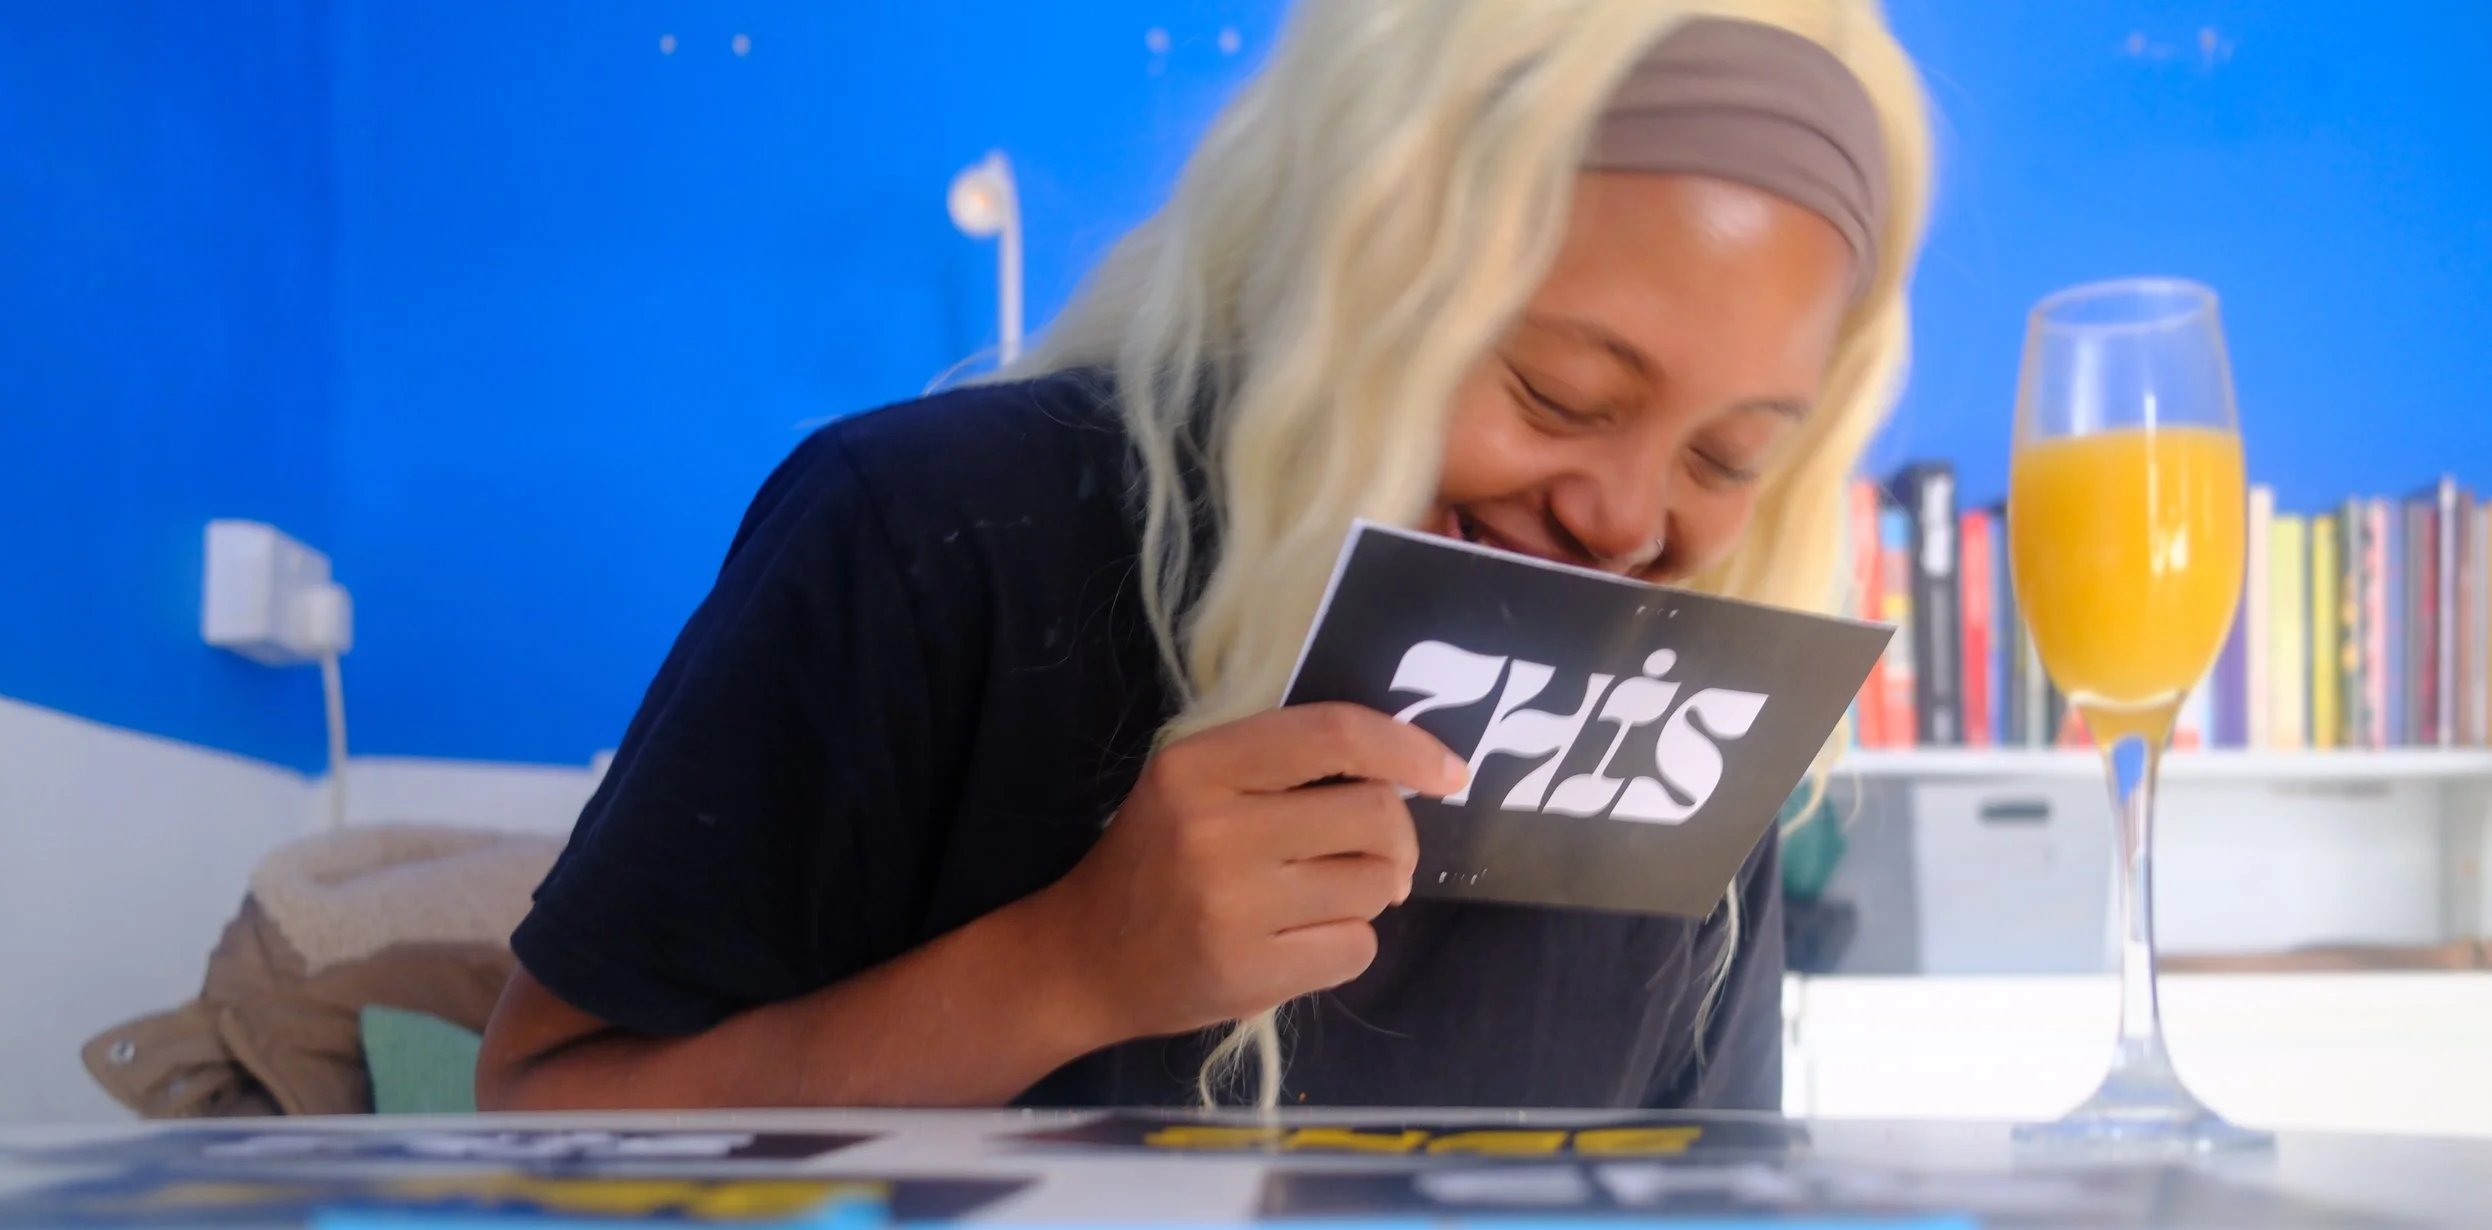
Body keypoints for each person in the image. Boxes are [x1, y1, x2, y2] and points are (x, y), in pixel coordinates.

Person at [477, 0, 1931, 1114]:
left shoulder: (1700, 713)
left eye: (1729, 455)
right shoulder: (928, 538)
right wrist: (1068, 966)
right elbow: (536, 1110)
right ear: (1365, 277)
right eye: (1559, 393)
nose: (1624, 520)